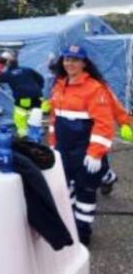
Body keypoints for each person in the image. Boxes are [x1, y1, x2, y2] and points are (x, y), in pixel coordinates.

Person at [48, 45, 115, 246]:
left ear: (84, 63)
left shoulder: (95, 88)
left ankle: (83, 232)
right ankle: (71, 221)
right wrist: (52, 145)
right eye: (67, 59)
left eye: (75, 59)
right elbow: (54, 119)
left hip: (84, 151)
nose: (70, 63)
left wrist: (95, 153)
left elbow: (104, 123)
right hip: (63, 149)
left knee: (86, 189)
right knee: (65, 185)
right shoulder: (59, 85)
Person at [0, 50, 44, 138]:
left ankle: (24, 135)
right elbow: (41, 79)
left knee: (20, 116)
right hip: (38, 96)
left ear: (7, 64)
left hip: (24, 98)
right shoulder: (28, 69)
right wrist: (39, 88)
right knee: (35, 115)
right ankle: (37, 133)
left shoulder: (8, 74)